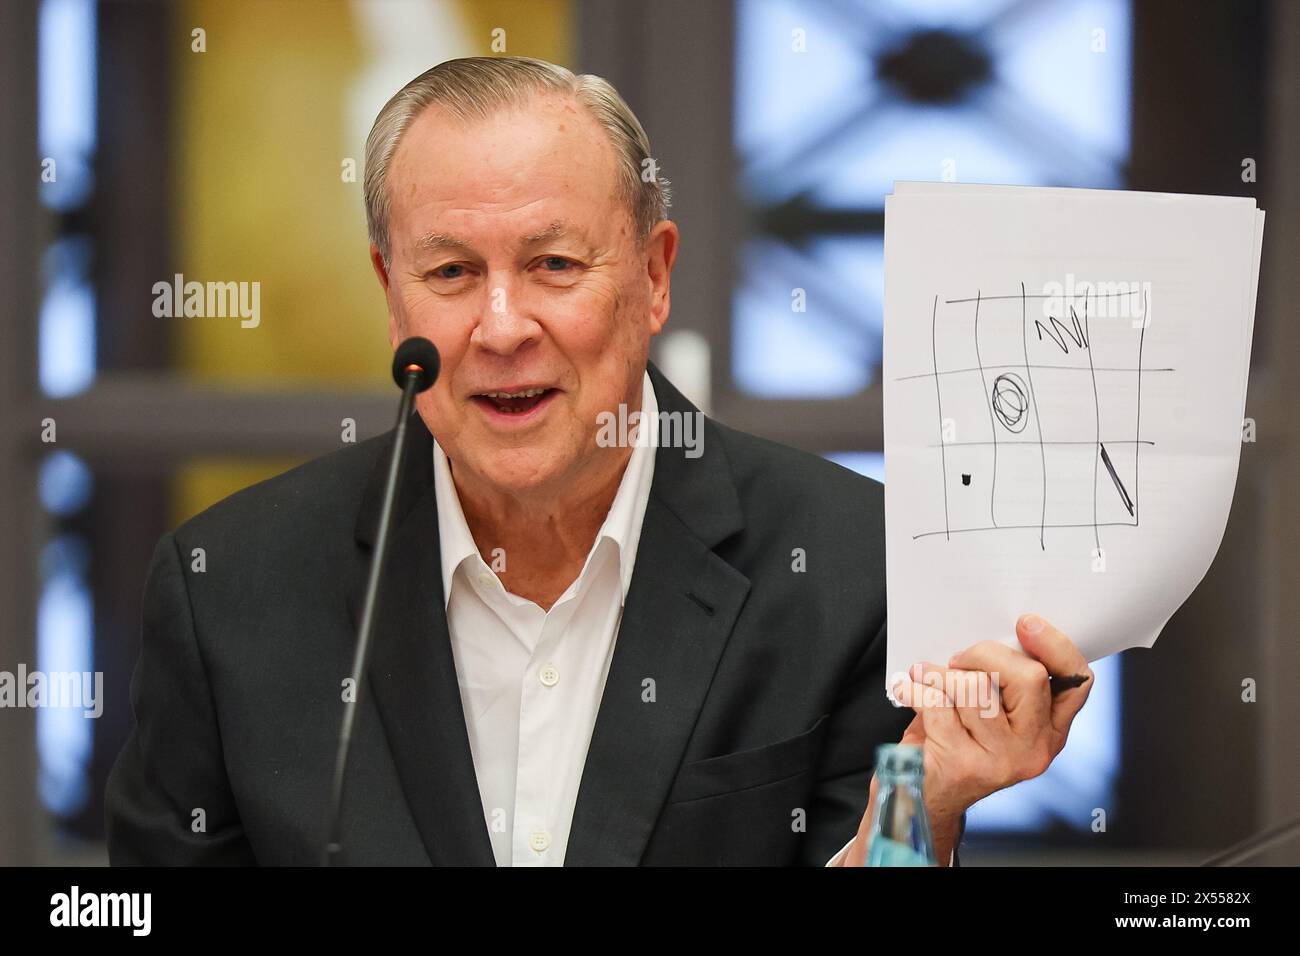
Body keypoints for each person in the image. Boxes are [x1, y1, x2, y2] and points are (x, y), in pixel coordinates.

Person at [105, 56, 1094, 866]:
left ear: (654, 277)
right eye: (450, 272)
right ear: (390, 290)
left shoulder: (845, 568)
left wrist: (928, 808)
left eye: (554, 265)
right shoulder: (226, 590)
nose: (500, 327)